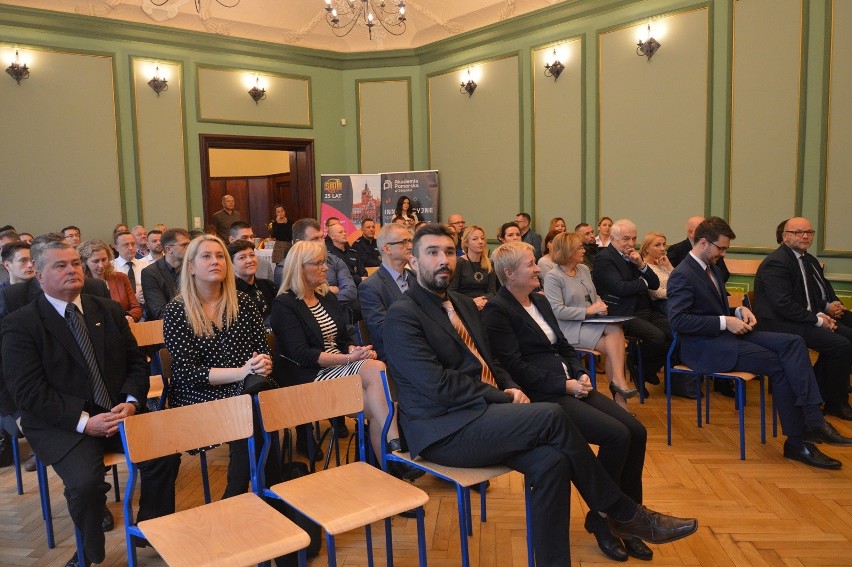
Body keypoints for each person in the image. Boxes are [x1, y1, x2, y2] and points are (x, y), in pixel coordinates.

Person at [383, 224, 697, 565]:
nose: (443, 260)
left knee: (553, 462)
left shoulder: (463, 303)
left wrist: (509, 387)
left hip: (484, 415)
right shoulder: (402, 315)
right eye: (432, 253)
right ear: (413, 262)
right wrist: (505, 398)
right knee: (551, 414)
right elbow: (437, 385)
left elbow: (491, 361)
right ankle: (621, 511)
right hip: (443, 429)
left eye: (447, 252)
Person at [2, 240, 179, 567]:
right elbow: (29, 393)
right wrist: (84, 422)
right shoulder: (21, 324)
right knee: (85, 485)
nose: (72, 270)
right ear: (40, 276)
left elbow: (137, 363)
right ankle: (89, 552)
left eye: (75, 263)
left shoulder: (108, 309)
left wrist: (131, 401)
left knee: (165, 453)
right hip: (65, 424)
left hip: (116, 412)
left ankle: (149, 526)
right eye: (60, 266)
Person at [484, 241, 650, 561]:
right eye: (531, 264)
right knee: (617, 436)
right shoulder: (498, 310)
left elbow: (563, 346)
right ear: (509, 273)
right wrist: (564, 383)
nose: (538, 269)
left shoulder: (540, 302)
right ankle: (607, 520)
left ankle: (627, 523)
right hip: (547, 394)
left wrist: (579, 372)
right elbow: (514, 366)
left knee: (636, 431)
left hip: (571, 384)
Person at [667, 217, 852, 469]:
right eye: (720, 248)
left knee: (793, 343)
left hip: (725, 335)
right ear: (702, 242)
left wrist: (739, 312)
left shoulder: (710, 268)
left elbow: (713, 309)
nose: (723, 253)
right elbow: (679, 321)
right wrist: (724, 321)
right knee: (781, 364)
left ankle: (812, 420)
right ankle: (799, 440)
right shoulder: (683, 274)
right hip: (705, 348)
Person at [269, 240, 421, 480]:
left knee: (375, 407)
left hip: (339, 367)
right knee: (378, 374)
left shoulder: (326, 297)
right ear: (300, 267)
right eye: (318, 263)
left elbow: (342, 338)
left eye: (324, 262)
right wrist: (349, 358)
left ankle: (391, 474)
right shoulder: (284, 305)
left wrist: (354, 350)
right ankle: (396, 451)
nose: (325, 268)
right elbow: (302, 355)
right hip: (309, 377)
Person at [163, 234, 278, 499]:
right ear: (190, 266)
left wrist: (263, 362)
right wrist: (243, 372)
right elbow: (188, 374)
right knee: (251, 405)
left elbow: (261, 349)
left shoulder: (243, 303)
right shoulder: (177, 311)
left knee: (255, 402)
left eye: (219, 257)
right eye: (206, 256)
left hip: (246, 388)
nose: (215, 261)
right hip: (199, 394)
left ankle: (242, 493)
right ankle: (265, 490)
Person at [754, 217, 852, 420]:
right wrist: (818, 320)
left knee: (842, 341)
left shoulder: (804, 259)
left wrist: (822, 313)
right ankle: (832, 400)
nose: (806, 236)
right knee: (840, 345)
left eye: (809, 232)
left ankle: (822, 394)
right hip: (779, 324)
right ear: (785, 236)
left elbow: (814, 296)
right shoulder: (776, 262)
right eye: (799, 232)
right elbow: (783, 304)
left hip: (798, 319)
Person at [543, 232, 638, 409]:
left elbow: (594, 296)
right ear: (568, 250)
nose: (584, 250)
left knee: (616, 329)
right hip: (569, 328)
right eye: (579, 247)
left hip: (592, 322)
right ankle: (620, 395)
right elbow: (556, 310)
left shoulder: (584, 270)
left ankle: (618, 386)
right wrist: (588, 310)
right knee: (615, 346)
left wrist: (599, 304)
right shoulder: (553, 277)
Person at [593, 219, 678, 397]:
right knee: (657, 337)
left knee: (675, 332)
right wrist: (642, 282)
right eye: (626, 239)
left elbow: (653, 284)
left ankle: (643, 369)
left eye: (633, 238)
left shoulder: (633, 257)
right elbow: (620, 288)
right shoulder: (604, 258)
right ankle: (638, 365)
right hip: (622, 313)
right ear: (613, 239)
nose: (631, 244)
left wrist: (641, 265)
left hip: (645, 309)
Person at [359, 223, 416, 361]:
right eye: (403, 242)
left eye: (410, 241)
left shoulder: (415, 277)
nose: (410, 246)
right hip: (397, 353)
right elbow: (383, 331)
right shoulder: (370, 287)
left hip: (424, 346)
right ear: (387, 248)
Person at [78, 239, 142, 322]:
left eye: (104, 260)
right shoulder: (81, 284)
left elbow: (136, 308)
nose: (101, 265)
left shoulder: (121, 278)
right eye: (95, 261)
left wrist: (130, 317)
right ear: (84, 262)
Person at [140, 228, 191, 321]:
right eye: (184, 245)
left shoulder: (193, 268)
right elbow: (159, 311)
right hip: (165, 327)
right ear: (168, 249)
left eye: (189, 244)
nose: (189, 248)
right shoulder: (150, 273)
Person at [667, 216, 730, 281]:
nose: (707, 233)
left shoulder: (715, 250)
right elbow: (670, 275)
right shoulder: (676, 249)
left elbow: (724, 273)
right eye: (701, 230)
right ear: (691, 233)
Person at [448, 225, 496, 310]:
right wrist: (472, 301)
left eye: (482, 238)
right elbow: (452, 291)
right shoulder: (459, 262)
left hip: (485, 304)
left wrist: (483, 300)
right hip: (464, 305)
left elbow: (492, 291)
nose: (480, 242)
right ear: (466, 242)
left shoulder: (489, 263)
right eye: (475, 239)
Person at [229, 239, 276, 324]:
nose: (250, 260)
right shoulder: (230, 292)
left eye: (252, 255)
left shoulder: (268, 285)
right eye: (242, 258)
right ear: (232, 265)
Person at [640, 231, 673, 314]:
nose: (662, 248)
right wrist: (679, 292)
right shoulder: (642, 266)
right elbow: (655, 292)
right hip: (658, 305)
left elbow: (680, 280)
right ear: (646, 248)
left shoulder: (663, 263)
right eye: (657, 245)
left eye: (664, 244)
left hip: (673, 300)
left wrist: (668, 266)